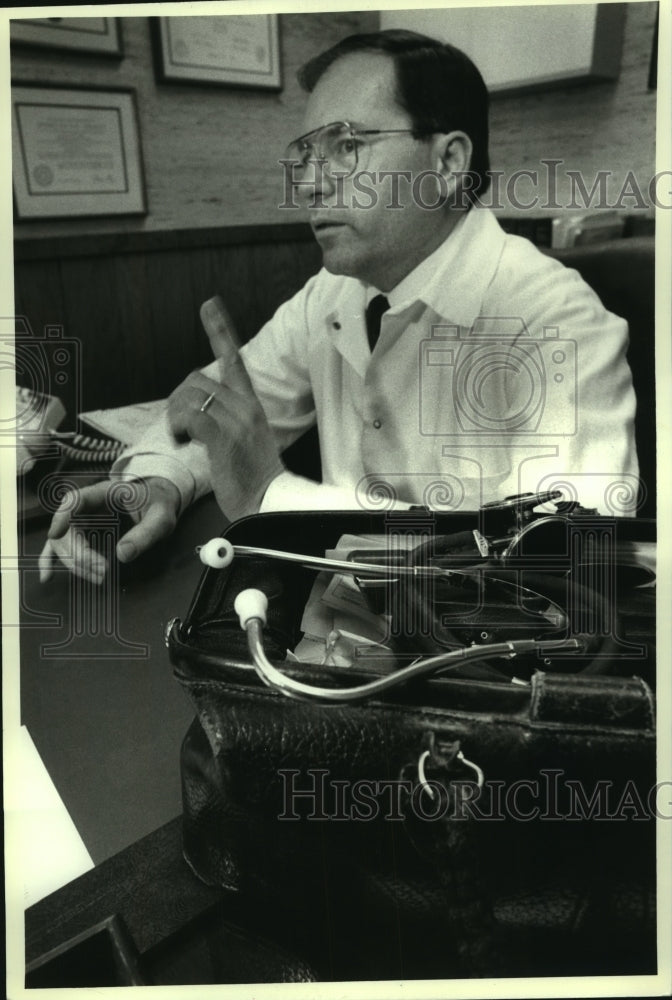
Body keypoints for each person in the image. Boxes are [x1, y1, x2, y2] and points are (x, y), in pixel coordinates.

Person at [42, 29, 638, 584]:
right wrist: (159, 480)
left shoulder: (553, 315)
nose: (309, 184)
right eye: (307, 154)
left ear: (449, 162)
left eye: (348, 145)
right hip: (328, 621)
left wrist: (271, 495)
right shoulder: (333, 293)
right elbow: (223, 413)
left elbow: (568, 557)